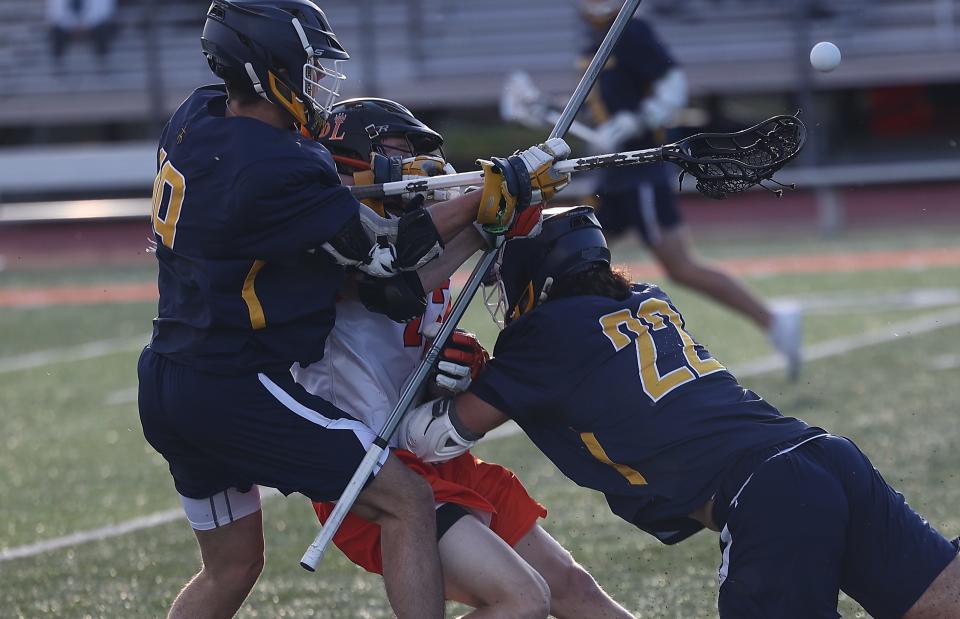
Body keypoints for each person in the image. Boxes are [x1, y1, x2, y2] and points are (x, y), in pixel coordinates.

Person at [136, 2, 571, 618]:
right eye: (307, 68)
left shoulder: (196, 117)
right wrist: (485, 196)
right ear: (269, 69)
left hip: (163, 374)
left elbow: (287, 215)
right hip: (229, 385)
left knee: (230, 566)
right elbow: (387, 255)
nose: (317, 82)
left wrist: (469, 208)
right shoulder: (276, 166)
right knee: (407, 500)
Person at [398, 205, 960, 619]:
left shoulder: (545, 335)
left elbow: (429, 439)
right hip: (826, 456)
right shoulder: (645, 298)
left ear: (536, 276)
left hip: (766, 492)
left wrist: (453, 378)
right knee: (943, 602)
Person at [293, 97, 636, 619]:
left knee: (572, 589)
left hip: (430, 454)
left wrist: (454, 367)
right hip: (370, 465)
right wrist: (485, 209)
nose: (415, 161)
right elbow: (388, 286)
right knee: (522, 601)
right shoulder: (324, 234)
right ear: (351, 155)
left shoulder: (415, 229)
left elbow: (417, 337)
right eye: (398, 148)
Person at [579, 0, 803, 378]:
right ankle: (581, 355)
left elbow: (673, 85)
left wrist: (638, 120)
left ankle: (774, 320)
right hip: (615, 171)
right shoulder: (595, 35)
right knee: (581, 259)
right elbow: (605, 107)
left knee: (677, 266)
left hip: (640, 171)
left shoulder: (629, 31)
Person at [47, 0, 116, 63]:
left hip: (93, 25)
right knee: (56, 32)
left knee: (103, 30)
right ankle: (57, 62)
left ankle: (102, 59)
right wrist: (72, 25)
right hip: (68, 27)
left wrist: (87, 24)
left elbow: (104, 12)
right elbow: (55, 13)